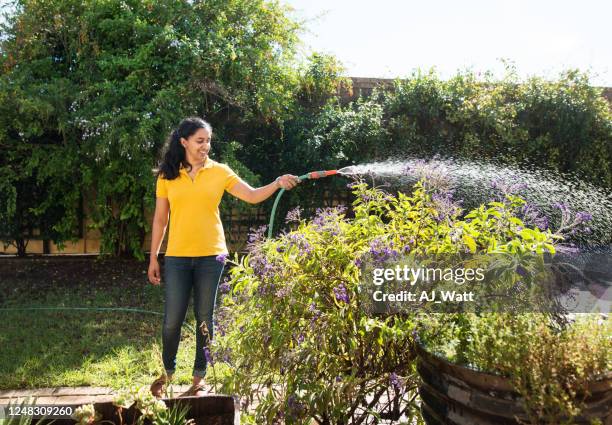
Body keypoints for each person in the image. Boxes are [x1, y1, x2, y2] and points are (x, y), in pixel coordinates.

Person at [147, 117, 299, 397]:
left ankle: (198, 378)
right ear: (184, 142)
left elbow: (252, 196)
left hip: (211, 256)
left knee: (205, 317)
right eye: (200, 141)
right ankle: (167, 372)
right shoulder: (167, 175)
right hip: (178, 257)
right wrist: (154, 256)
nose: (206, 146)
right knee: (172, 320)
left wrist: (277, 183)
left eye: (208, 141)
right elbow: (160, 219)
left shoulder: (220, 171)